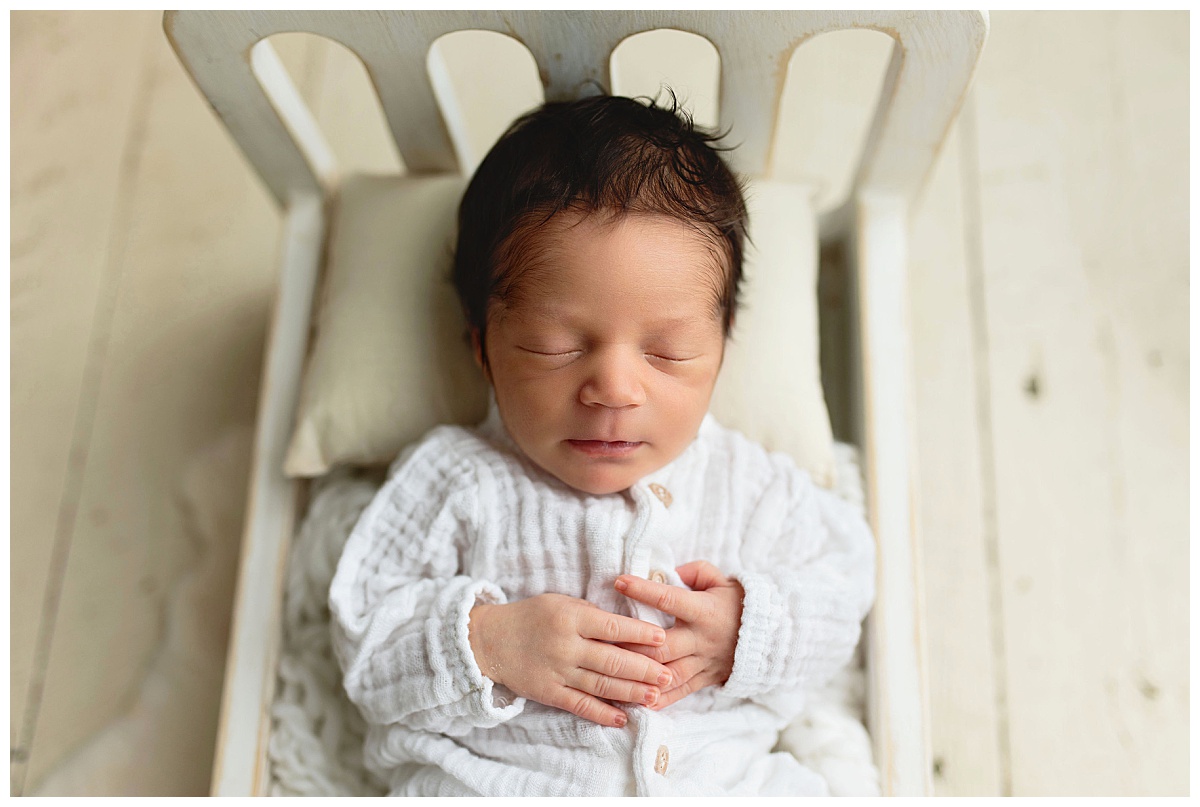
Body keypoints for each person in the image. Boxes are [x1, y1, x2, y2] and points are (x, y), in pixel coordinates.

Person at [328, 93, 876, 796]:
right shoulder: (455, 478)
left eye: (669, 352)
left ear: (722, 348)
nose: (614, 388)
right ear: (484, 350)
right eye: (555, 346)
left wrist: (752, 627)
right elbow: (364, 643)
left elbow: (843, 588)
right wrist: (489, 641)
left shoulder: (751, 485)